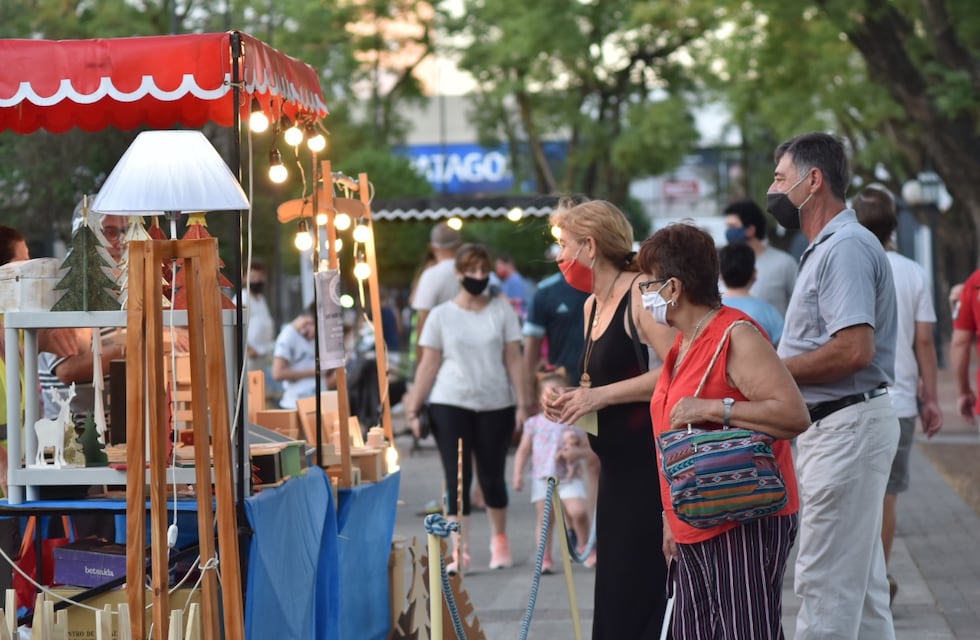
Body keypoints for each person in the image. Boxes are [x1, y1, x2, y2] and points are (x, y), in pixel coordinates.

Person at [638, 222, 808, 638]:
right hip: (695, 517)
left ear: (673, 287)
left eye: (649, 284)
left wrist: (716, 407)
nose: (644, 295)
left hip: (740, 516)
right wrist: (669, 518)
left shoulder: (736, 334)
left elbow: (793, 415)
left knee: (744, 630)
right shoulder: (684, 343)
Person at [771, 132, 900, 639]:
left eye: (781, 178)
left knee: (825, 587)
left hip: (845, 427)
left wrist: (771, 372)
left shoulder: (844, 247)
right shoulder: (831, 247)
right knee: (861, 597)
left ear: (813, 180)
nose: (774, 189)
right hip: (840, 425)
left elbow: (854, 350)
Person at [544, 199, 675, 639]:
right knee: (616, 595)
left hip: (650, 469)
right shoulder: (589, 307)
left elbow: (681, 371)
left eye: (564, 245)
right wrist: (571, 402)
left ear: (590, 245)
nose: (560, 257)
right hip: (614, 471)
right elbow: (595, 383)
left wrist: (598, 395)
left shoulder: (642, 293)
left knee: (640, 594)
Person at [404, 243, 529, 573]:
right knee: (456, 477)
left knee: (491, 476)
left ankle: (499, 539)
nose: (477, 276)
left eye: (482, 270)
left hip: (495, 401)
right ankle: (459, 549)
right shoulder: (441, 316)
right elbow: (428, 363)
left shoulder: (501, 311)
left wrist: (522, 403)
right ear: (458, 274)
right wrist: (414, 407)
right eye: (471, 270)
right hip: (450, 400)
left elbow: (514, 359)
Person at [854, 185, 943, 604]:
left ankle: (858, 576)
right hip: (901, 398)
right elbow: (924, 342)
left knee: (855, 495)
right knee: (887, 496)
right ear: (894, 226)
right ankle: (879, 579)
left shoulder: (849, 266)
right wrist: (931, 398)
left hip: (854, 398)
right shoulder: (912, 272)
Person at [512, 369, 590, 575]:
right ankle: (544, 557)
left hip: (569, 477)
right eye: (549, 394)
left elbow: (588, 448)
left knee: (578, 512)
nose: (555, 399)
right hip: (543, 478)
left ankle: (585, 546)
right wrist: (517, 474)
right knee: (546, 519)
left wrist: (576, 452)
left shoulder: (575, 420)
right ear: (540, 398)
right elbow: (523, 450)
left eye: (559, 393)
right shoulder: (534, 423)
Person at [723, 199, 798, 316]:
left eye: (732, 226)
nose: (728, 232)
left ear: (750, 230)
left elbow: (800, 305)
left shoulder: (784, 263)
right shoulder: (723, 264)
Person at [409, 222, 462, 363]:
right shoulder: (474, 273)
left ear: (432, 248)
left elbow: (422, 319)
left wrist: (420, 361)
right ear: (460, 245)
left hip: (439, 353)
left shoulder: (431, 275)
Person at [719, 242, 784, 344]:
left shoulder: (710, 310)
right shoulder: (767, 311)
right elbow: (781, 347)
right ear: (753, 273)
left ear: (720, 275)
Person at [272, 304, 322, 410]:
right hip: (295, 404)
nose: (314, 336)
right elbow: (277, 373)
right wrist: (312, 372)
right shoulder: (287, 337)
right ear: (308, 322)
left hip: (316, 401)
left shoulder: (310, 338)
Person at [238, 260, 276, 385]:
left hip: (263, 354)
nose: (257, 281)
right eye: (253, 277)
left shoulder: (261, 300)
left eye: (260, 277)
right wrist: (248, 349)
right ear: (244, 278)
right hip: (249, 358)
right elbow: (237, 327)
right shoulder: (243, 297)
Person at [495, 253, 535, 319]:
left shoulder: (515, 280)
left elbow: (519, 302)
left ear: (508, 265)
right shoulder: (507, 280)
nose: (497, 270)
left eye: (499, 266)